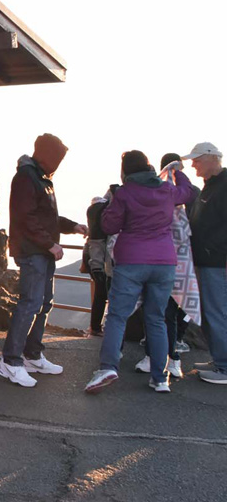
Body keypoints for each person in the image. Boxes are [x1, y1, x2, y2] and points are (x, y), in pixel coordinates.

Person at [84, 151, 198, 394]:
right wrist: (177, 172)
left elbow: (109, 226)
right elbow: (189, 192)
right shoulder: (167, 191)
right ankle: (159, 378)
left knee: (117, 317)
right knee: (156, 319)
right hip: (164, 263)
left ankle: (108, 367)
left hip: (131, 262)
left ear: (125, 170)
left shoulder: (125, 193)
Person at [0, 134, 88, 388]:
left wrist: (73, 227)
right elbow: (26, 218)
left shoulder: (41, 178)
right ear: (47, 155)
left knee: (43, 303)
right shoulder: (27, 177)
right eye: (57, 158)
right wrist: (49, 244)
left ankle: (32, 355)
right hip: (32, 253)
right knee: (30, 304)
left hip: (42, 253)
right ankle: (10, 361)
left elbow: (48, 218)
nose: (59, 164)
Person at [134, 153, 200, 379]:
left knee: (159, 311)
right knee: (165, 312)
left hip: (163, 258)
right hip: (180, 260)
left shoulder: (161, 190)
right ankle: (166, 358)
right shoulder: (189, 192)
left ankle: (162, 358)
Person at [184, 142, 227, 385]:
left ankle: (224, 366)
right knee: (210, 313)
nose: (194, 165)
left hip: (217, 261)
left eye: (197, 160)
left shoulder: (224, 186)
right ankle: (219, 358)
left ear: (212, 159)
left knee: (217, 312)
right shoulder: (211, 186)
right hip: (206, 259)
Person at [84, 185, 118, 336]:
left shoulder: (94, 213)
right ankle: (102, 328)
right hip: (104, 261)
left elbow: (95, 242)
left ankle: (95, 327)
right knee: (108, 294)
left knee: (100, 294)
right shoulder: (107, 210)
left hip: (93, 259)